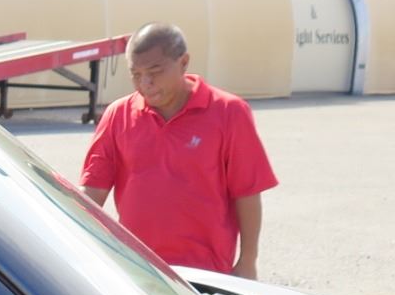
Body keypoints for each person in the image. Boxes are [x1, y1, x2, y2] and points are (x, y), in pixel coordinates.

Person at [80, 23, 278, 278]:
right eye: (136, 74)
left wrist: (248, 261)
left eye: (155, 71)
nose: (146, 83)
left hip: (207, 272)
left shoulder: (229, 113)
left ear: (183, 62)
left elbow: (247, 192)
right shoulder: (118, 115)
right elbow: (93, 191)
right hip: (138, 270)